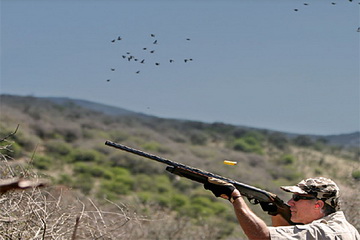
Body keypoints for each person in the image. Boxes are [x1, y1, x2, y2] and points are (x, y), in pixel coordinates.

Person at [204, 177, 360, 240]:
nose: (291, 202)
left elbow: (262, 237)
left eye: (297, 198)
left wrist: (235, 198)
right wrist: (276, 211)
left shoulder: (325, 231)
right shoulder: (345, 229)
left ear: (318, 204)